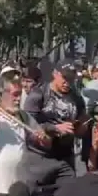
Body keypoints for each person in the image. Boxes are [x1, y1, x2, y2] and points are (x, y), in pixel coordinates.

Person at [22, 58, 87, 188]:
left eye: (71, 79)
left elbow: (83, 121)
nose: (67, 83)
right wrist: (55, 128)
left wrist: (80, 128)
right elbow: (27, 125)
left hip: (66, 158)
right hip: (40, 157)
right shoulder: (38, 95)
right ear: (55, 74)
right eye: (64, 77)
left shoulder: (77, 98)